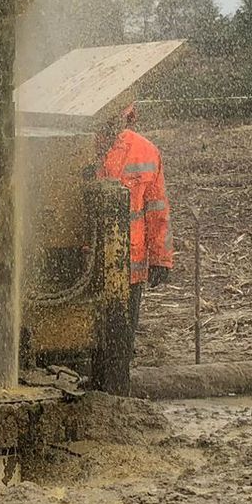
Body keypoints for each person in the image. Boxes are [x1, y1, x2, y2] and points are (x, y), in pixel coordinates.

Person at [95, 103, 173, 342]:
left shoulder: (145, 151)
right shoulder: (75, 148)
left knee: (120, 340)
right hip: (87, 264)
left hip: (129, 268)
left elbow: (157, 210)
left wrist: (161, 259)